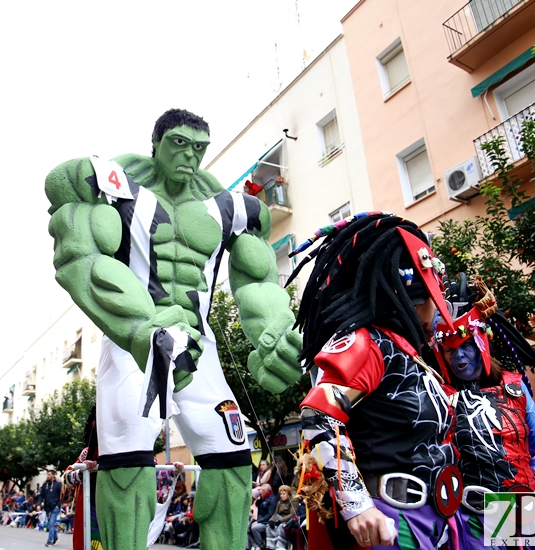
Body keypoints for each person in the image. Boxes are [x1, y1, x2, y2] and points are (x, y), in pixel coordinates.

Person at [45, 108, 303, 550]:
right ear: (157, 143)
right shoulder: (113, 184)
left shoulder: (229, 207)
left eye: (199, 147)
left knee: (232, 467)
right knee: (127, 469)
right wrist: (139, 327)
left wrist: (274, 331)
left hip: (201, 350)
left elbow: (258, 276)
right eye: (179, 143)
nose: (190, 155)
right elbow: (79, 254)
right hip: (134, 345)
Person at [289, 213, 460, 549]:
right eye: (430, 297)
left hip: (438, 520)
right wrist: (356, 505)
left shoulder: (413, 355)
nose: (438, 311)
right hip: (394, 526)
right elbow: (319, 415)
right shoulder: (368, 343)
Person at [433, 275, 535, 549]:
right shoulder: (439, 394)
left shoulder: (514, 385)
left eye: (466, 346)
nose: (459, 358)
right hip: (475, 521)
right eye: (450, 351)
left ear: (483, 343)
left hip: (530, 512)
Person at [264, 485, 300, 550]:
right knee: (268, 526)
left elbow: (292, 514)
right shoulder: (280, 501)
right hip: (279, 518)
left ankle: (280, 545)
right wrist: (271, 520)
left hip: (289, 519)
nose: (281, 496)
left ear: (288, 494)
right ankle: (270, 546)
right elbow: (275, 513)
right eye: (280, 494)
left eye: (284, 494)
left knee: (281, 526)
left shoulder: (294, 500)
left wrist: (281, 520)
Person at [37, 465, 62, 547]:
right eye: (47, 474)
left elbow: (61, 496)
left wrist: (58, 505)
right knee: (49, 524)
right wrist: (39, 504)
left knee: (51, 524)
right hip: (47, 507)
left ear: (53, 475)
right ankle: (55, 537)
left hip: (55, 507)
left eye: (49, 474)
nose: (48, 476)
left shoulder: (58, 484)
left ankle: (49, 541)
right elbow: (41, 495)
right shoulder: (45, 485)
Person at [247, 484, 276, 550]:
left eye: (262, 490)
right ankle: (253, 544)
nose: (260, 492)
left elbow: (270, 514)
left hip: (266, 521)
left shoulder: (272, 499)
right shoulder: (263, 498)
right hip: (260, 519)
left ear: (266, 491)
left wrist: (258, 521)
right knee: (248, 527)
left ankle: (260, 545)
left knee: (255, 528)